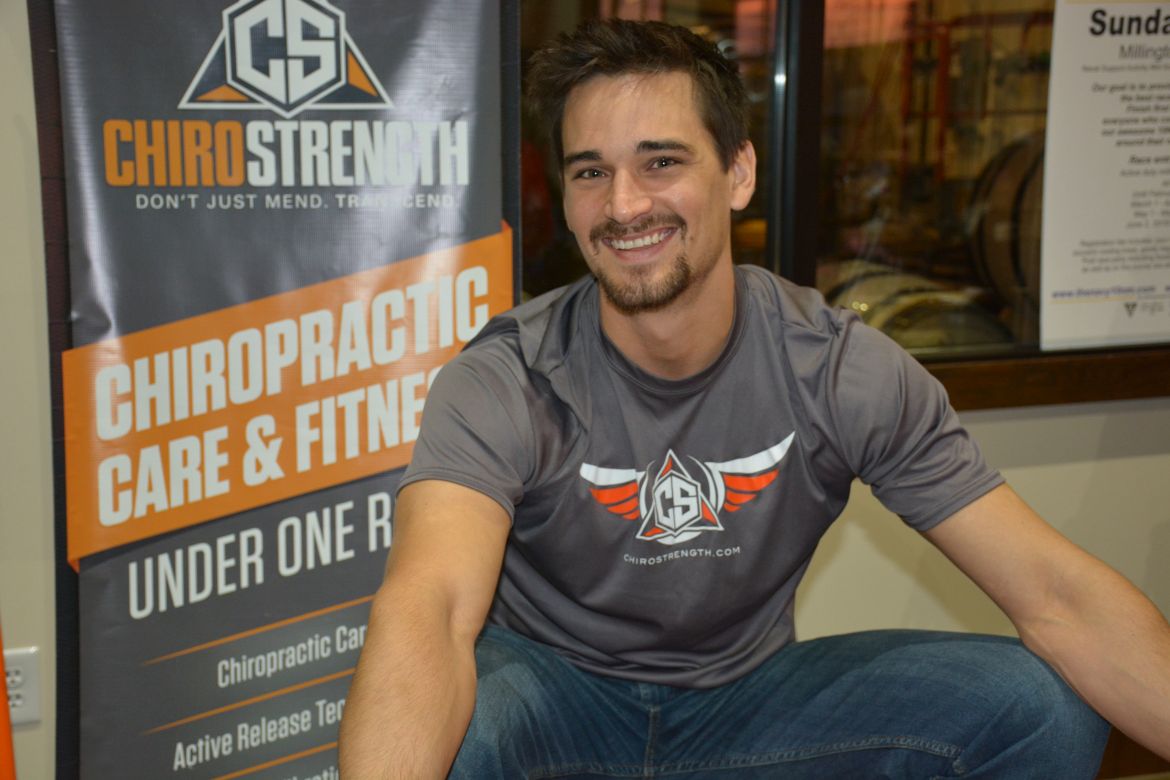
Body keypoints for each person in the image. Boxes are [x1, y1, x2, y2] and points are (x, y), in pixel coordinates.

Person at [339, 19, 1170, 778]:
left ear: (737, 173)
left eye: (661, 162)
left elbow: (1057, 597)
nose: (623, 205)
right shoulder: (506, 377)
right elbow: (430, 607)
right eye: (591, 171)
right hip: (555, 705)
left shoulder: (837, 371)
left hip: (748, 706)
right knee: (463, 726)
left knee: (1038, 705)